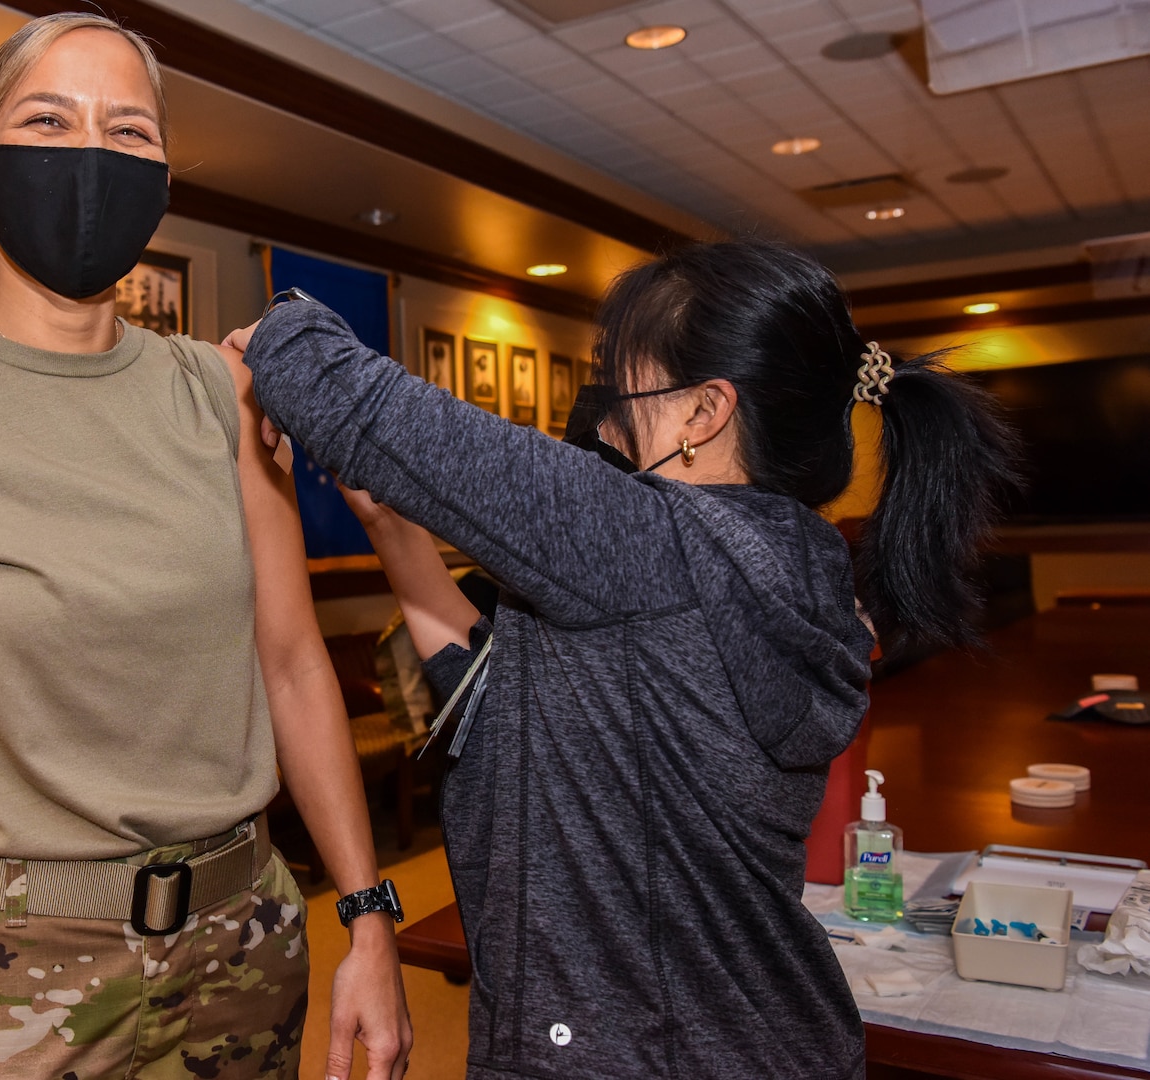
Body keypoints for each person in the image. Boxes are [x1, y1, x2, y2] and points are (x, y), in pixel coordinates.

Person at [0, 14, 411, 1080]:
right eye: (50, 119)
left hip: (238, 950)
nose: (91, 155)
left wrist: (370, 919)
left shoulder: (222, 393)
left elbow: (292, 669)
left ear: (163, 180)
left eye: (130, 133)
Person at [229, 239, 1017, 1079]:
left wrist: (276, 328)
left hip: (648, 1052)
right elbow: (514, 709)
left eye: (629, 386)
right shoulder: (776, 562)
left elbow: (348, 394)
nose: (607, 416)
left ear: (703, 414)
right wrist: (393, 527)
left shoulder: (665, 545)